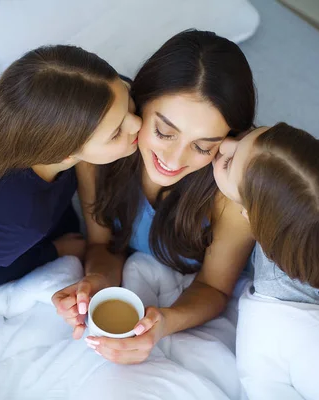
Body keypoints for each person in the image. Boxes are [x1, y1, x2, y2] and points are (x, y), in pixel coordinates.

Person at [53, 30, 257, 364]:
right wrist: (94, 285)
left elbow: (216, 288)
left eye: (203, 146)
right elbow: (103, 245)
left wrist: (162, 324)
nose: (175, 160)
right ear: (138, 104)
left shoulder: (232, 190)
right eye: (164, 132)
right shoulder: (100, 154)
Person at [0, 44, 141, 293]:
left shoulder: (99, 93)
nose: (137, 122)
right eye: (117, 132)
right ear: (65, 155)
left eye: (128, 99)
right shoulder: (22, 220)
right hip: (8, 233)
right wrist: (53, 250)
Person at [212, 122, 319, 317]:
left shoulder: (275, 293)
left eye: (228, 163)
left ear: (250, 217)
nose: (224, 145)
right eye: (250, 135)